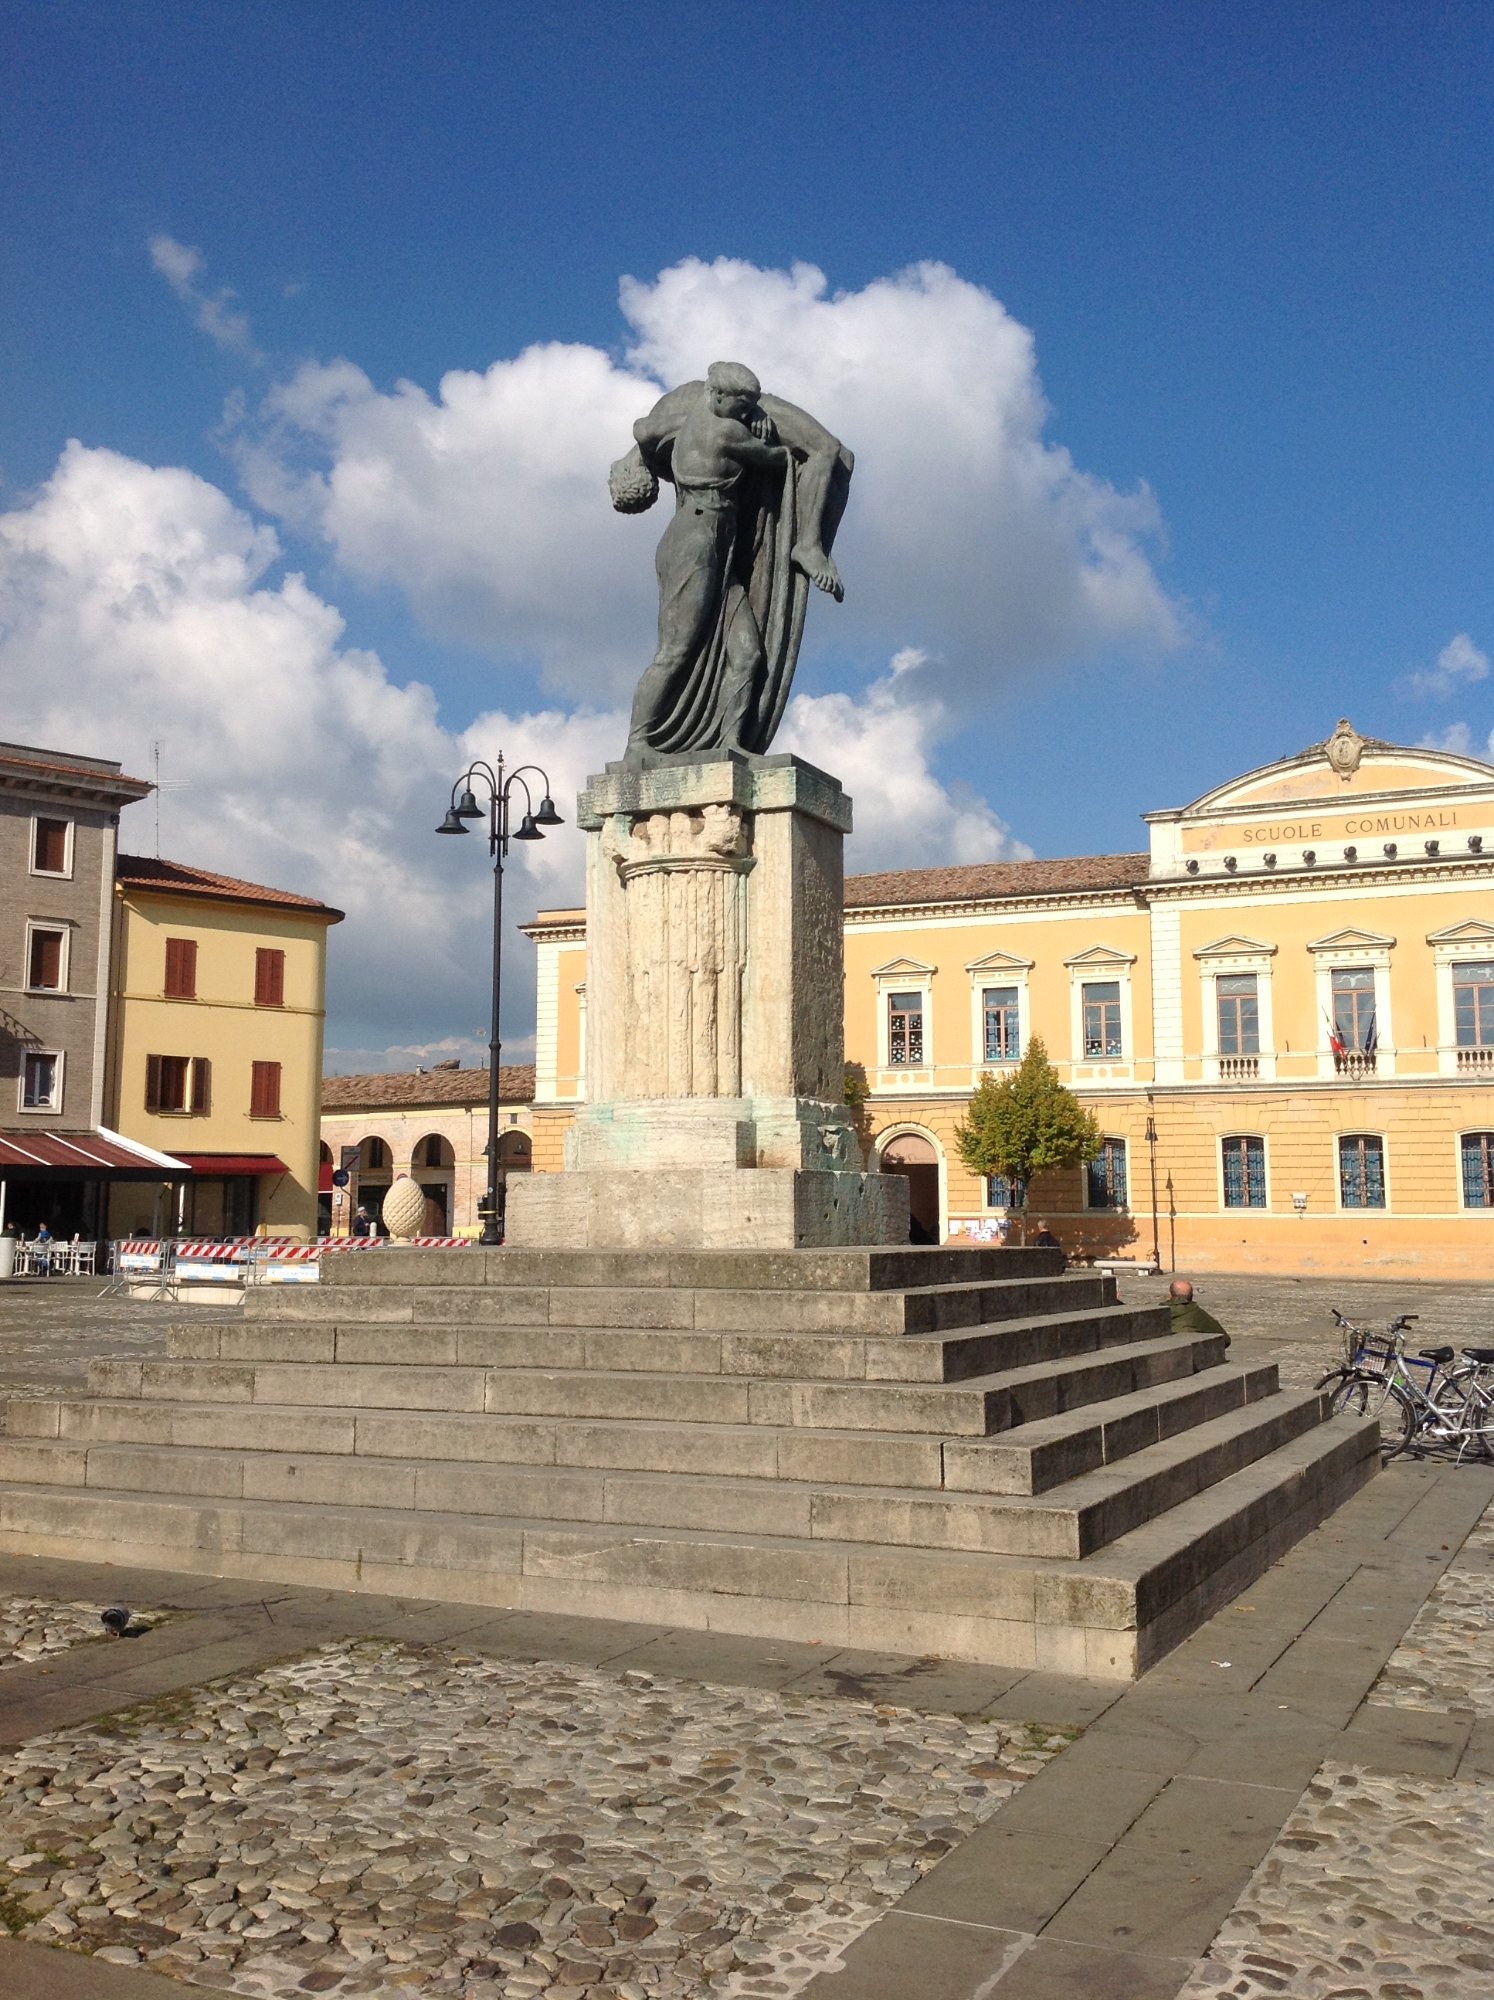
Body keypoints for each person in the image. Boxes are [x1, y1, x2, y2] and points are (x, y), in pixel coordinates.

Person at [610, 362, 854, 760]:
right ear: (717, 396)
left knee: (747, 654)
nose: (744, 413)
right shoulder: (724, 431)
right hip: (694, 544)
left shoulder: (694, 416)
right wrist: (765, 428)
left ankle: (731, 744)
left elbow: (642, 429)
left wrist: (635, 456)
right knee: (676, 649)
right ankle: (637, 742)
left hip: (717, 550)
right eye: (740, 405)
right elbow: (782, 460)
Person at [1168, 1278, 1229, 1347]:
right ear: (1192, 1296)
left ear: (1169, 1295)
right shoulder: (1197, 1314)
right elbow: (1225, 1340)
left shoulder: (1157, 1312)